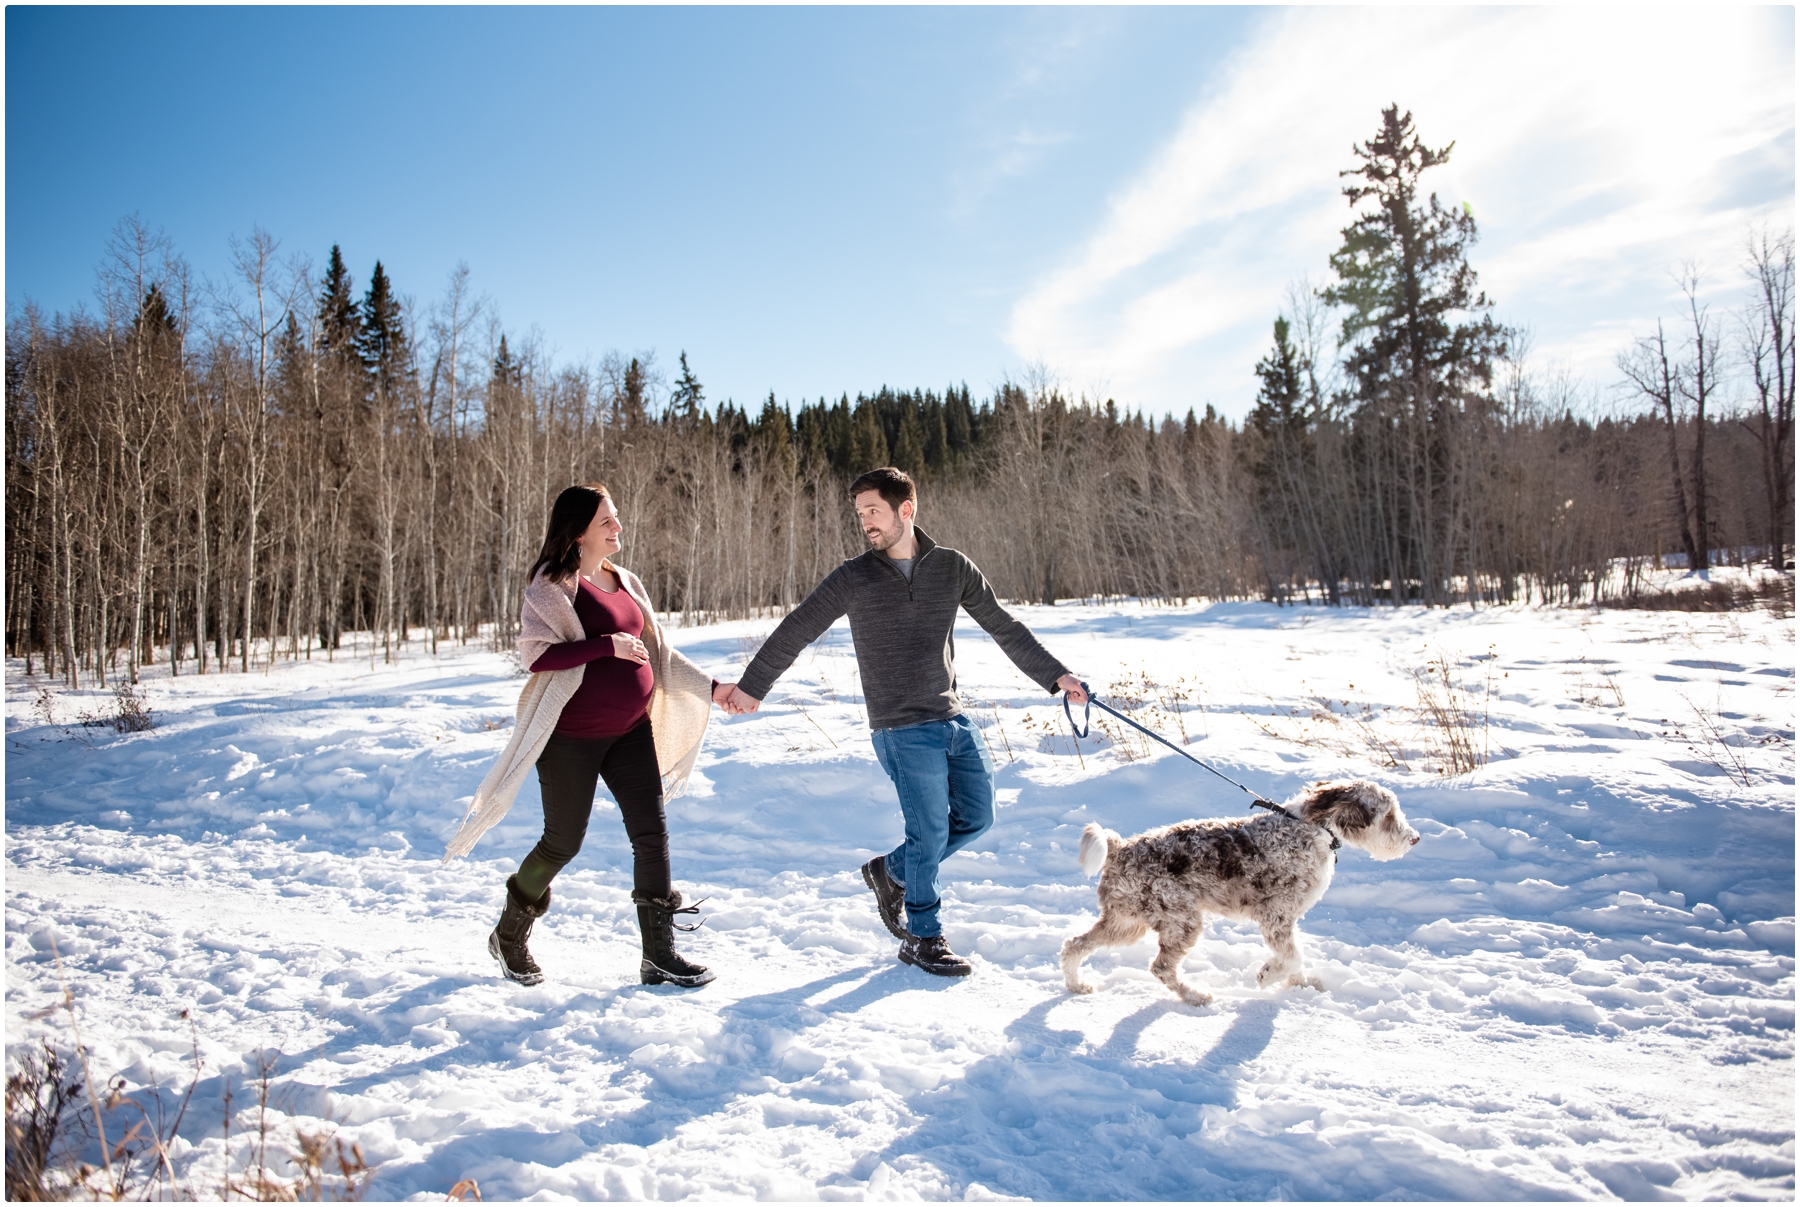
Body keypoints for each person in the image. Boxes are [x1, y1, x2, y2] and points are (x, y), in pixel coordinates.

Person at [714, 467, 1087, 976]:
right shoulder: (854, 577)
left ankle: (891, 872)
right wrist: (752, 686)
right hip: (899, 727)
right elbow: (797, 627)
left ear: (905, 510)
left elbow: (1004, 625)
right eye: (859, 512)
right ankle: (922, 935)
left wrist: (1057, 676)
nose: (865, 521)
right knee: (929, 830)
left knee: (978, 817)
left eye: (873, 511)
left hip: (951, 717)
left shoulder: (952, 567)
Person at [444, 483, 716, 988]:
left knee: (652, 836)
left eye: (616, 517)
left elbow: (656, 653)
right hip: (571, 736)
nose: (618, 528)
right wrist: (603, 646)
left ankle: (659, 955)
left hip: (631, 731)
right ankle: (509, 934)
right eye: (607, 522)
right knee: (562, 843)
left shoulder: (625, 579)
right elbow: (536, 656)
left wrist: (713, 689)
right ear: (579, 533)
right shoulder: (553, 584)